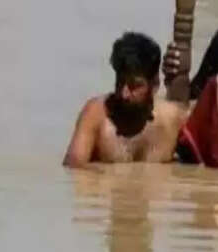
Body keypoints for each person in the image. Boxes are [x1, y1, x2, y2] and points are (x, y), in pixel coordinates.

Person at [63, 32, 187, 166]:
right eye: (120, 82)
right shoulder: (95, 116)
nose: (124, 94)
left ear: (155, 84)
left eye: (134, 86)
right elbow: (73, 170)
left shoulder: (174, 121)